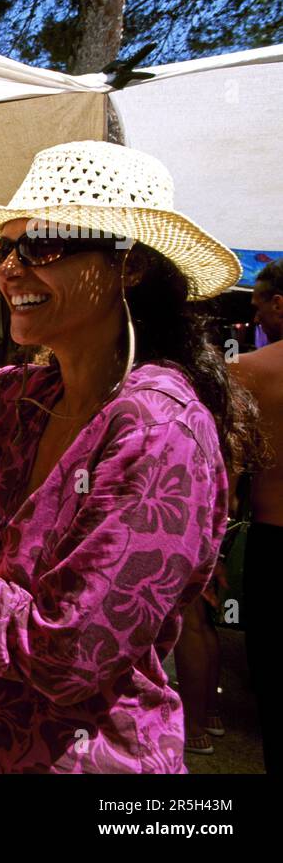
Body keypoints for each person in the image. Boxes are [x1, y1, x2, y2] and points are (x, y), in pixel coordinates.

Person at [0, 141, 262, 772]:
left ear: (129, 267)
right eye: (4, 251)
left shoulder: (160, 430)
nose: (9, 270)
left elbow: (66, 657)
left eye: (46, 247)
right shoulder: (33, 390)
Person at [228, 256, 283, 771]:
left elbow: (228, 470)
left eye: (259, 303)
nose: (257, 316)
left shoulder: (248, 371)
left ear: (279, 304)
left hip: (274, 543)